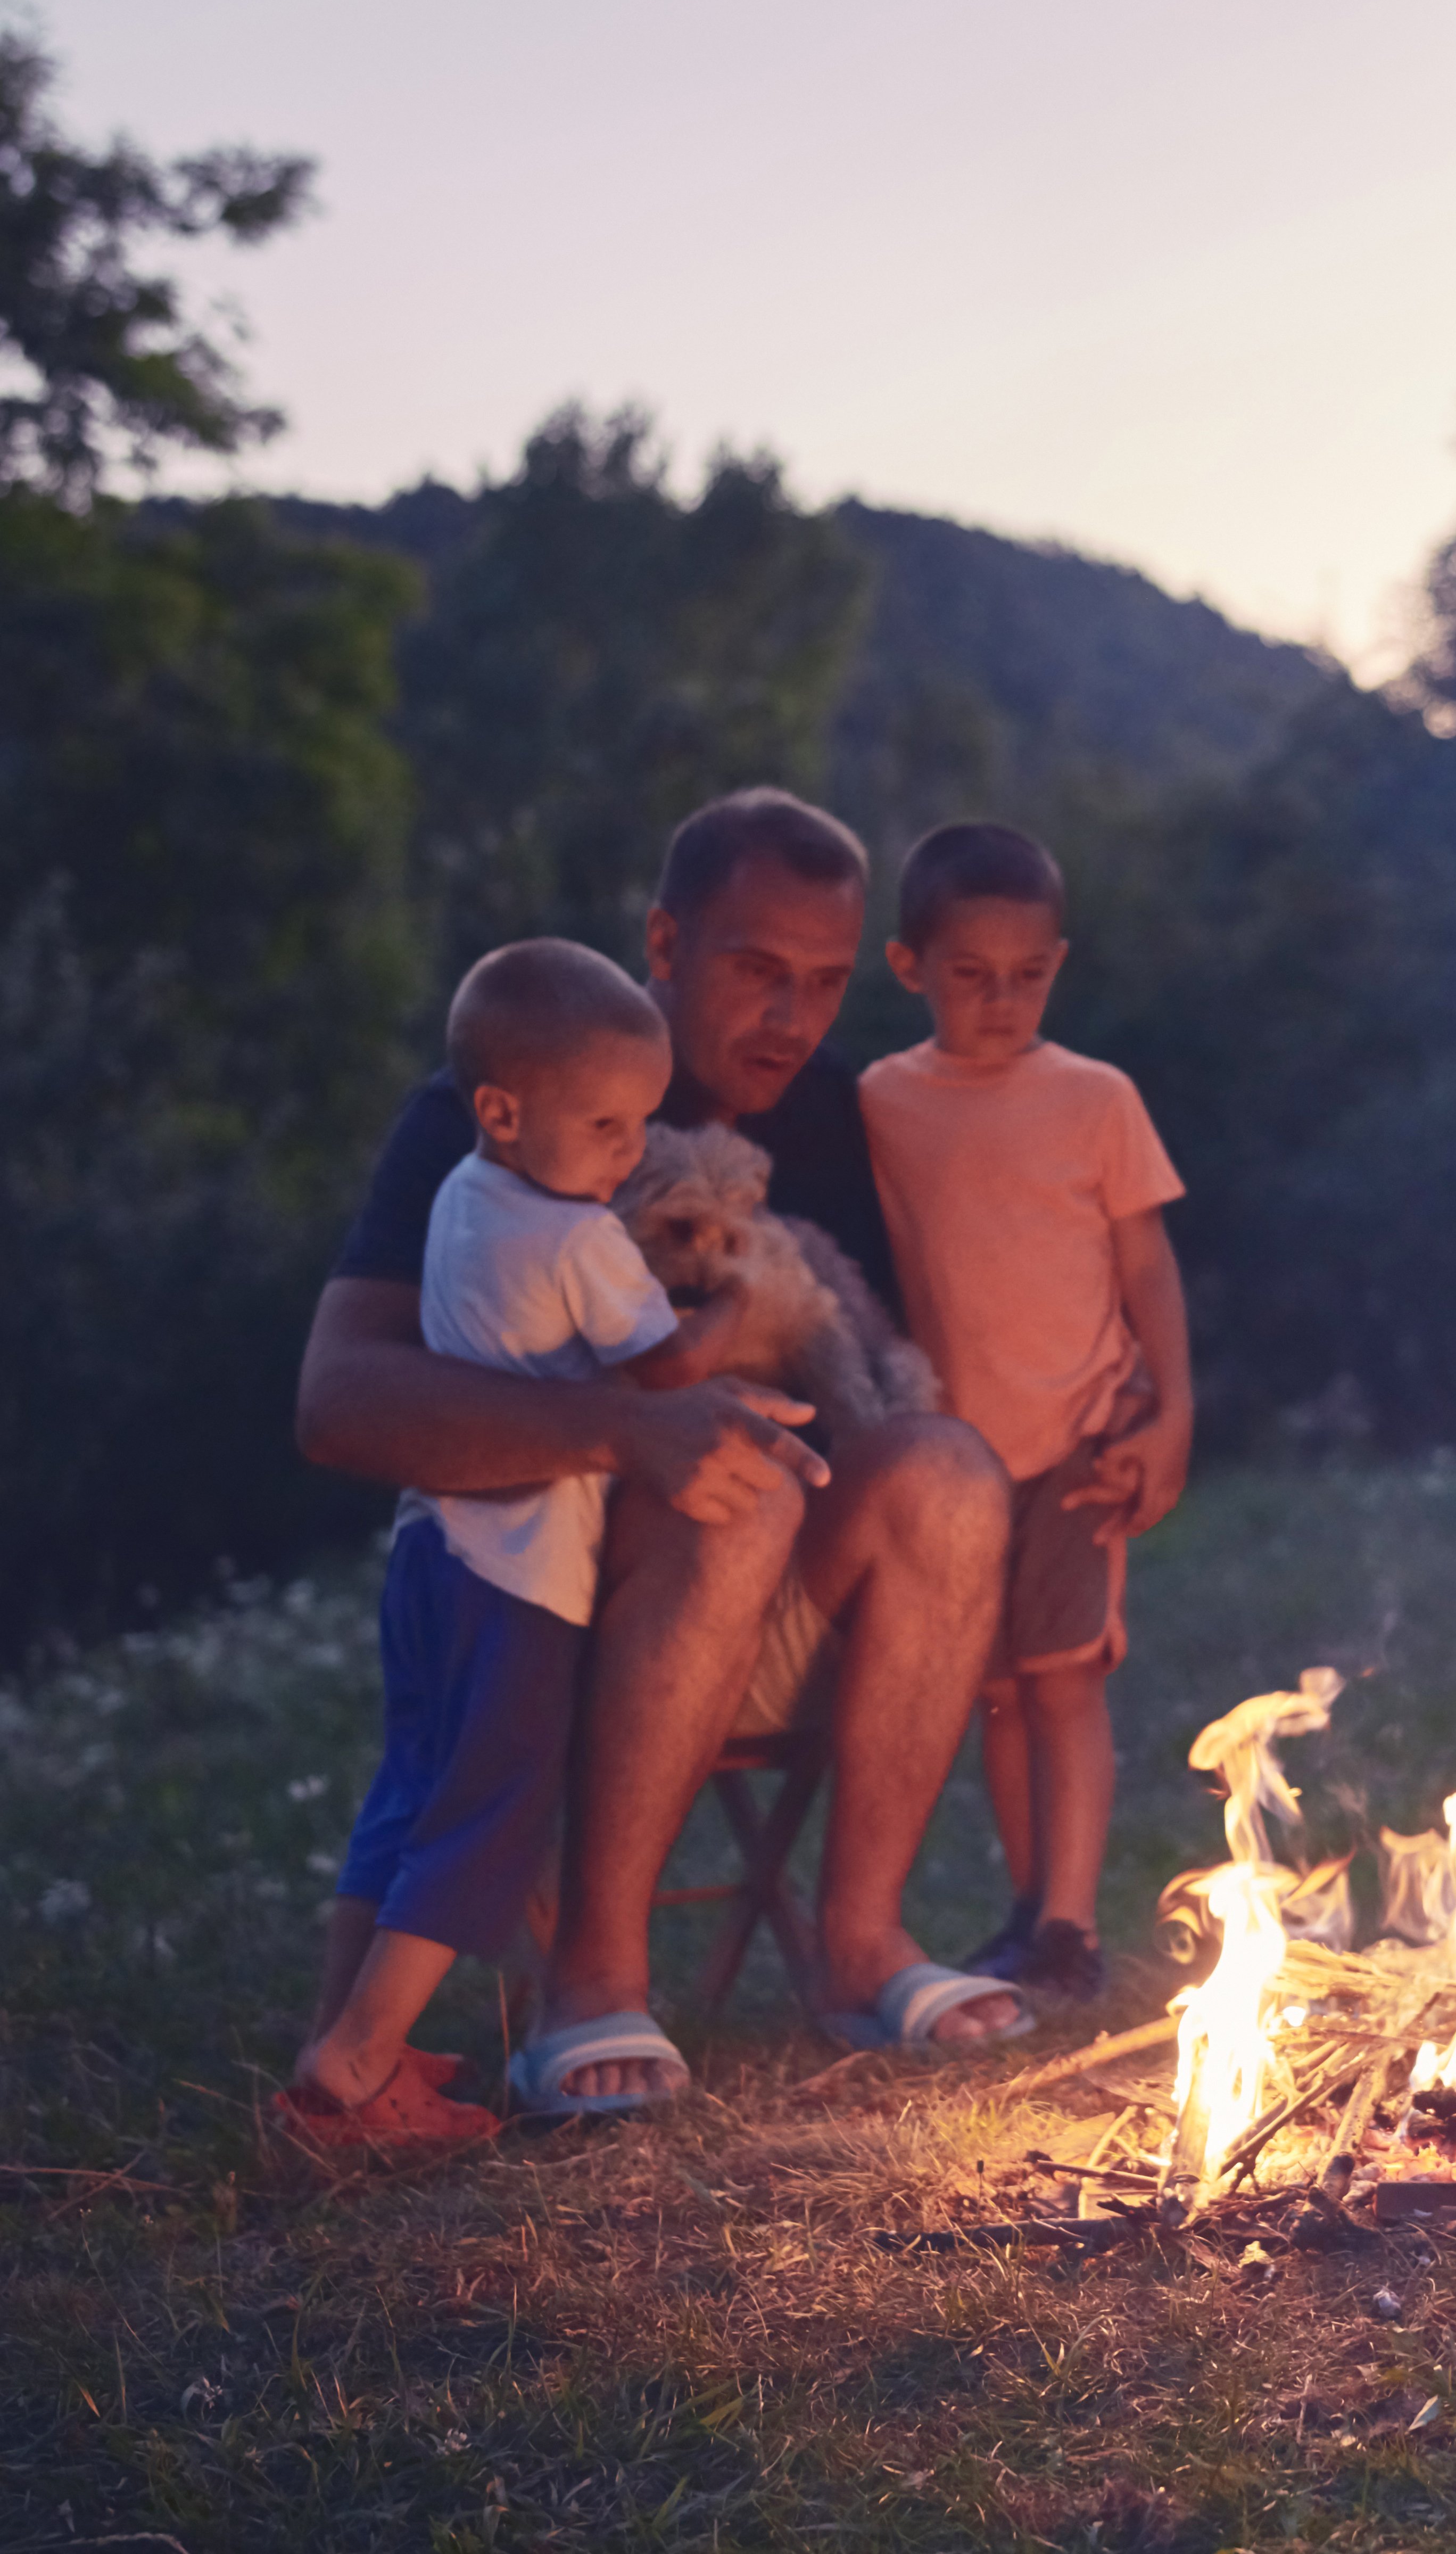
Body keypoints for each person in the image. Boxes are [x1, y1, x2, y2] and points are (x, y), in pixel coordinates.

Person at [297, 791, 1032, 2112]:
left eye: (823, 981)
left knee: (950, 1469)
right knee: (727, 1488)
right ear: (665, 940)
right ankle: (592, 1978)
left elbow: (883, 1363)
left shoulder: (827, 1115)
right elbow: (339, 1400)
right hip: (558, 1607)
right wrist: (630, 1428)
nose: (794, 1018)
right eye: (759, 972)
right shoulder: (515, 1103)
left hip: (784, 1608)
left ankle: (864, 1943)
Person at [287, 943, 744, 2152]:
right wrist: (741, 1307)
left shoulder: (458, 1194)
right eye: (605, 1123)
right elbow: (669, 1372)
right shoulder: (585, 1243)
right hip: (526, 1568)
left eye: (641, 1122)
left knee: (411, 1783)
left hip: (430, 1542)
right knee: (492, 1806)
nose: (630, 1153)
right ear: (501, 1109)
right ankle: (361, 2060)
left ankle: (333, 2038)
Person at [860, 822, 1193, 2004]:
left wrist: (1174, 1412)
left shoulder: (1096, 1099)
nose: (1001, 1001)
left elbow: (1147, 1264)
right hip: (957, 1451)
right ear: (908, 966)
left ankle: (1070, 1922)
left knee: (1065, 1681)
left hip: (1081, 1435)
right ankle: (1025, 1911)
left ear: (1058, 961)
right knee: (999, 1686)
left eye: (1029, 975)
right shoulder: (883, 1102)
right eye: (969, 975)